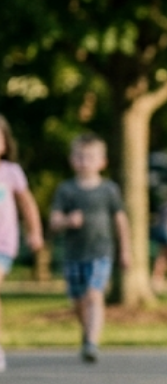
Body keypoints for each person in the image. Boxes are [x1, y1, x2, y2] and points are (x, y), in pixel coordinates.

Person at [48, 133, 131, 363]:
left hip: (101, 252)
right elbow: (54, 221)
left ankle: (92, 343)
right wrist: (67, 221)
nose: (85, 161)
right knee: (78, 301)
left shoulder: (109, 190)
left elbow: (120, 221)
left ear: (102, 161)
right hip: (73, 254)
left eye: (91, 157)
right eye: (80, 156)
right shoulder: (66, 190)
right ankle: (87, 334)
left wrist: (125, 250)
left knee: (94, 295)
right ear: (72, 160)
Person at [0, 115, 45, 371]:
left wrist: (35, 232)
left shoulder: (10, 172)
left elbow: (27, 204)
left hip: (3, 242)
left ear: (5, 143)